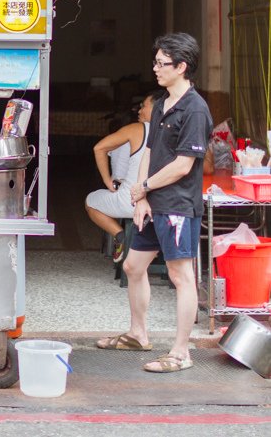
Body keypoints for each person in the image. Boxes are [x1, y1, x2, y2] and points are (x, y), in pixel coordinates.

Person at [97, 33, 212, 374]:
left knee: (181, 276)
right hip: (153, 202)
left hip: (177, 205)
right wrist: (141, 195)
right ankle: (137, 333)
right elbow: (150, 150)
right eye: (155, 62)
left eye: (163, 64)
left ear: (182, 67)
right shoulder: (162, 103)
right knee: (133, 267)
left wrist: (144, 186)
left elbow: (183, 165)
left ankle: (180, 352)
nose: (156, 69)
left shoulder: (195, 109)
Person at [85, 91, 158, 263]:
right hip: (166, 204)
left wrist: (107, 180)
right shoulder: (177, 130)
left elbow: (99, 148)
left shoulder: (136, 129)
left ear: (157, 108)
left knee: (90, 201)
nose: (139, 111)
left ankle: (122, 236)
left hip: (132, 201)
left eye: (144, 106)